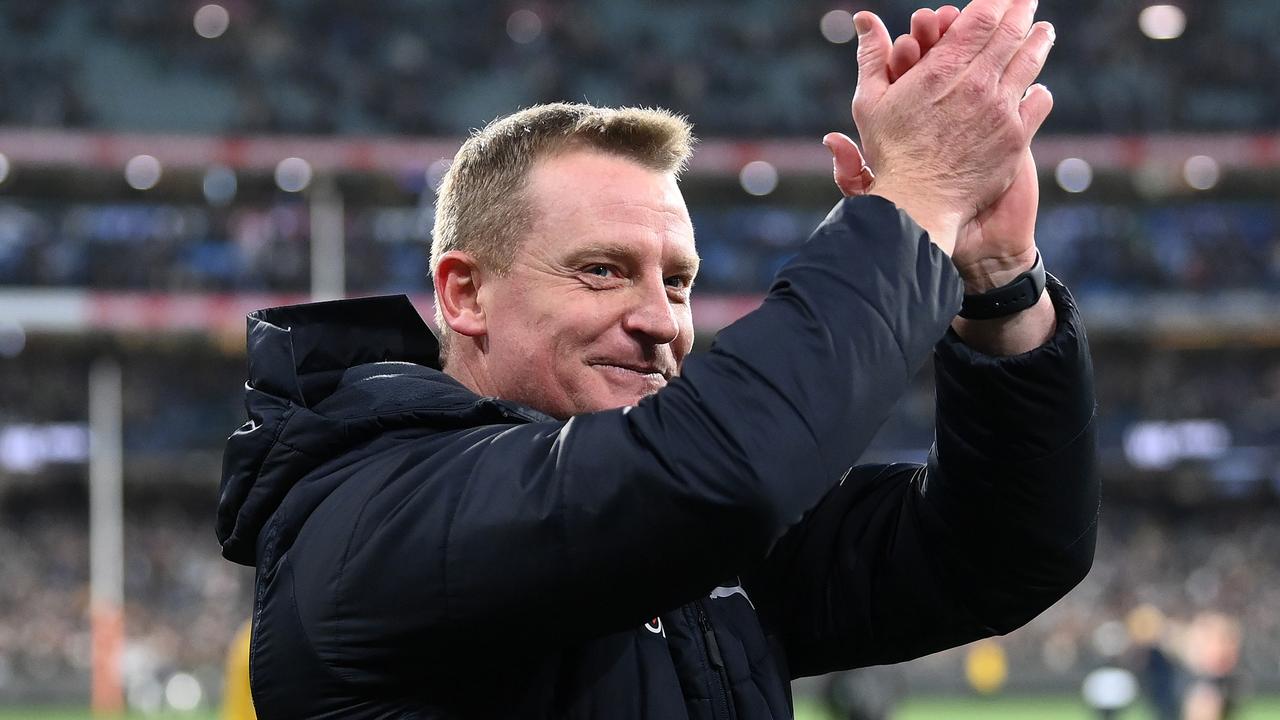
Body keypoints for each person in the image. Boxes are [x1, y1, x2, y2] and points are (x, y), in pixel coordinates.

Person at [216, 1, 1099, 717]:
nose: (659, 321)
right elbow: (717, 475)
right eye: (601, 270)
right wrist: (916, 201)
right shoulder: (372, 515)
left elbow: (1005, 551)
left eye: (677, 282)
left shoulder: (690, 536)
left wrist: (995, 281)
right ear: (464, 294)